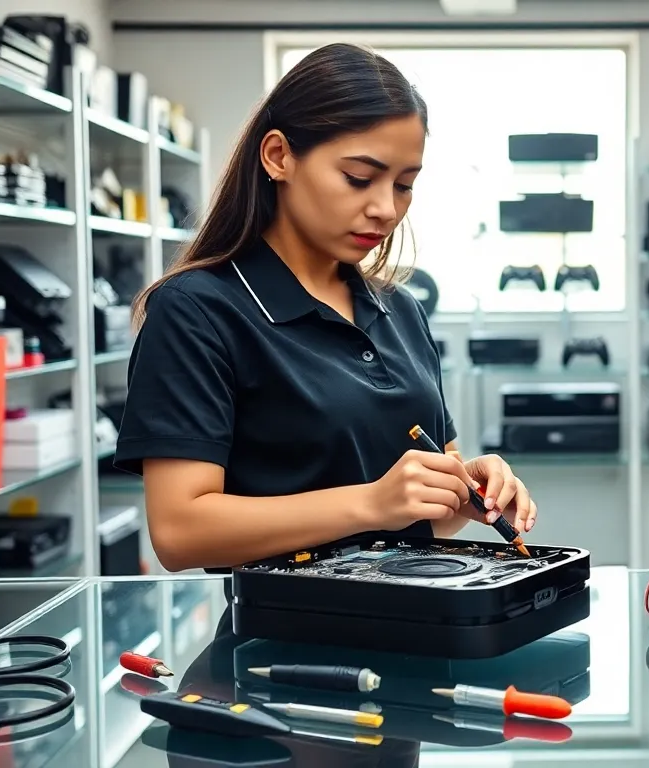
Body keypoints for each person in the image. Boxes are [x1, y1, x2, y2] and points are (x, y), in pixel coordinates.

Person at [114, 43, 537, 572]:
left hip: (425, 624)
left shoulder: (400, 311)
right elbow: (180, 532)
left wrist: (465, 490)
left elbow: (426, 515)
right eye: (359, 177)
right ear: (277, 156)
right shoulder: (196, 312)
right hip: (284, 644)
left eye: (405, 185)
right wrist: (370, 503)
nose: (386, 208)